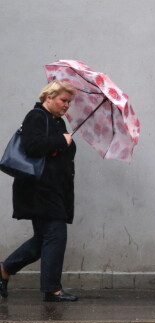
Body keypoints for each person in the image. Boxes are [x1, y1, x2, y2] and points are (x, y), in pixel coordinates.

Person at [0, 80, 78, 302]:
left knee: (42, 239)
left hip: (52, 189)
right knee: (56, 235)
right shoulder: (36, 116)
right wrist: (60, 141)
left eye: (69, 102)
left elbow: (60, 150)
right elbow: (32, 146)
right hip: (38, 189)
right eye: (64, 100)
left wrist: (65, 142)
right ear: (49, 97)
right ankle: (52, 289)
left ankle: (4, 270)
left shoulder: (57, 122)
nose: (66, 105)